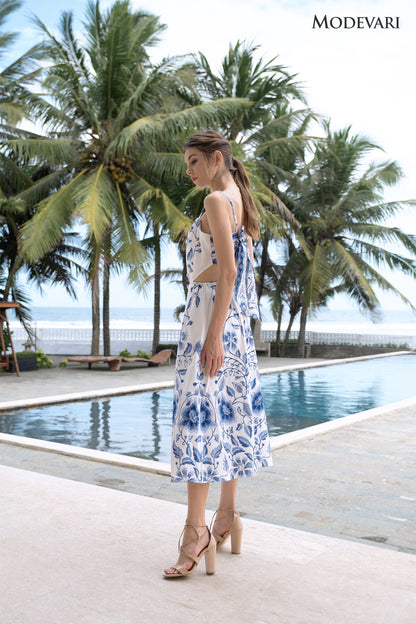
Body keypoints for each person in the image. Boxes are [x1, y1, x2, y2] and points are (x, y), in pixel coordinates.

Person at [163, 131, 272, 579]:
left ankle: (196, 532)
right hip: (232, 324)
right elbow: (234, 267)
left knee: (199, 423)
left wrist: (211, 337)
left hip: (212, 322)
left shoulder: (214, 202)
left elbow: (228, 271)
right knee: (226, 421)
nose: (187, 170)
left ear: (216, 158)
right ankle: (226, 517)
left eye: (193, 161)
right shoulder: (237, 198)